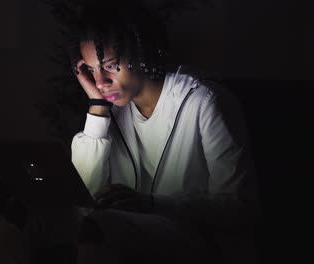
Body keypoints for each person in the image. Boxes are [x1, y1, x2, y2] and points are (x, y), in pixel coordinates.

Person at [64, 1, 260, 263]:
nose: (100, 82)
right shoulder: (113, 111)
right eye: (91, 70)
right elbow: (89, 192)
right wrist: (97, 107)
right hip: (133, 230)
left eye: (109, 65)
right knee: (23, 214)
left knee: (102, 224)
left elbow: (240, 209)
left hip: (203, 239)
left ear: (140, 53)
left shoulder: (204, 101)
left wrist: (153, 203)